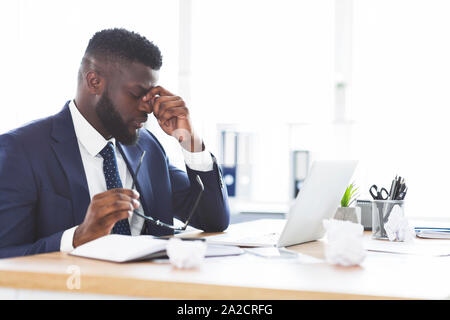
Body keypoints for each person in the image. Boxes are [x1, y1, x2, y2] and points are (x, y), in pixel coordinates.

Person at [0, 28, 230, 258]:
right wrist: (78, 237)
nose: (147, 108)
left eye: (151, 97)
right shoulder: (21, 150)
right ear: (94, 81)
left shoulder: (147, 147)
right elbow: (5, 255)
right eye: (136, 94)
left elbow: (213, 220)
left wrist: (190, 140)